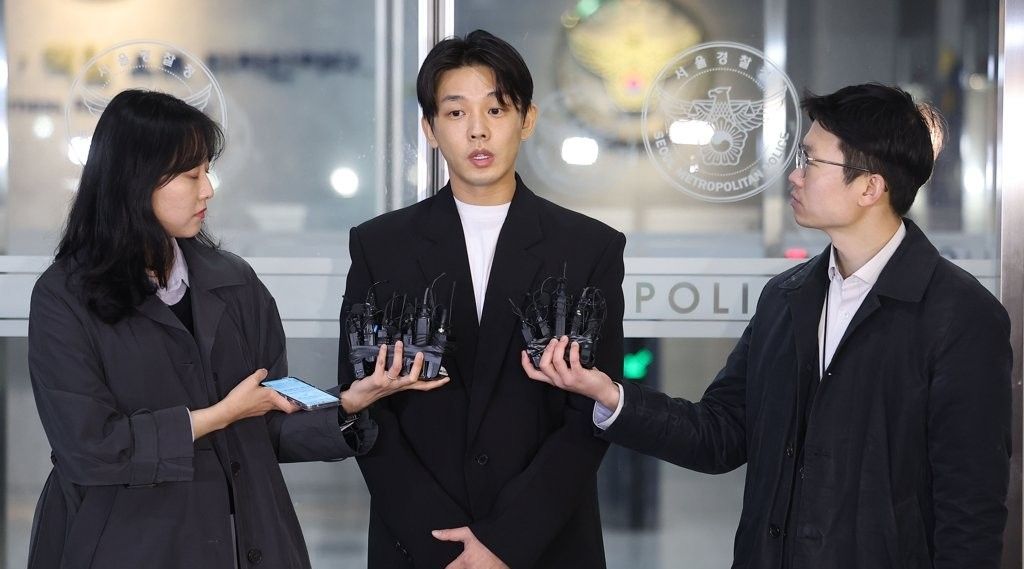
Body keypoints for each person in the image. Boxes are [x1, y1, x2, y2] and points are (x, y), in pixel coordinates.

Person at [524, 83, 1012, 569]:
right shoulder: (786, 297)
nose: (794, 176)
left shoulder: (960, 315)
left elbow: (970, 512)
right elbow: (720, 434)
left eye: (811, 161)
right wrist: (609, 394)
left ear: (870, 187)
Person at [27, 89, 446, 569]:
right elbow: (89, 449)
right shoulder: (64, 297)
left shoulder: (234, 281)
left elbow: (266, 422)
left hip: (250, 539)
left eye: (207, 171)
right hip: (130, 545)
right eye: (192, 175)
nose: (208, 189)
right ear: (133, 181)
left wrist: (349, 401)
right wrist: (219, 415)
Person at [338, 30, 625, 569]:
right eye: (455, 112)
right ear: (429, 128)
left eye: (496, 109)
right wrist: (441, 545)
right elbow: (365, 406)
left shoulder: (589, 248)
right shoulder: (380, 246)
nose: (478, 129)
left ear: (527, 119)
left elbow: (594, 410)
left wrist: (506, 540)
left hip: (547, 545)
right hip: (418, 547)